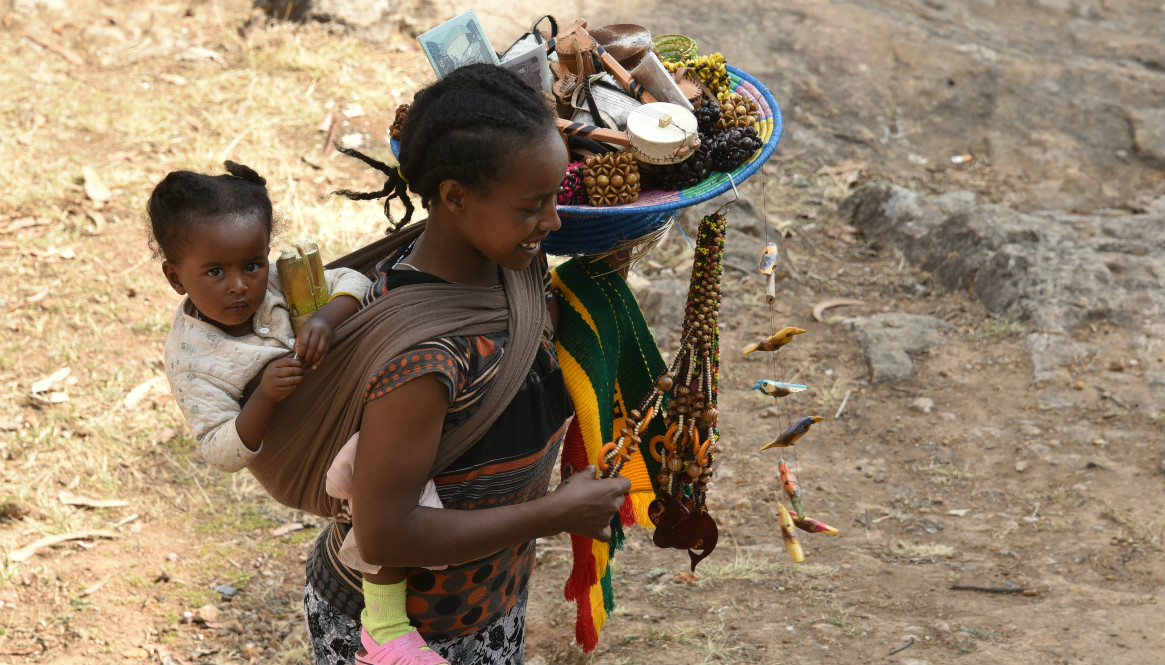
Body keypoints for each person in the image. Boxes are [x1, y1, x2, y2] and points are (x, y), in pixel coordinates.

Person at [302, 63, 630, 665]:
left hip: (490, 601)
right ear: (454, 197)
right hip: (402, 639)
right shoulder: (424, 361)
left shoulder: (512, 265)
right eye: (533, 204)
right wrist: (553, 514)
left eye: (555, 196)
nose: (553, 220)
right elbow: (385, 532)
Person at [150, 161, 370, 476]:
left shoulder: (278, 279)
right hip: (308, 461)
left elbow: (356, 280)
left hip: (355, 403)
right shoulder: (192, 360)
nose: (240, 285)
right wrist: (264, 396)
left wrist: (325, 320)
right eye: (216, 272)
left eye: (252, 265)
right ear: (176, 278)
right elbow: (220, 452)